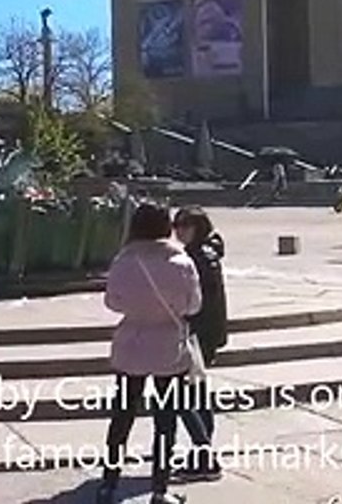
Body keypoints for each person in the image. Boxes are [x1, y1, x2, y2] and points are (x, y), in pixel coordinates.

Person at [97, 201, 201, 504]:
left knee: (122, 417)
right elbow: (194, 306)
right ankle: (159, 489)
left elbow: (112, 302)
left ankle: (109, 484)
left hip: (132, 344)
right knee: (165, 421)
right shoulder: (182, 263)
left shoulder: (123, 262)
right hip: (168, 347)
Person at [172, 207, 228, 482]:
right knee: (197, 397)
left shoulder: (198, 257)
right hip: (206, 335)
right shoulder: (207, 253)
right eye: (176, 225)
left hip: (197, 335)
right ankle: (202, 456)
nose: (178, 230)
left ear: (198, 227)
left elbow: (197, 302)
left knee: (184, 398)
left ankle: (205, 457)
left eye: (185, 225)